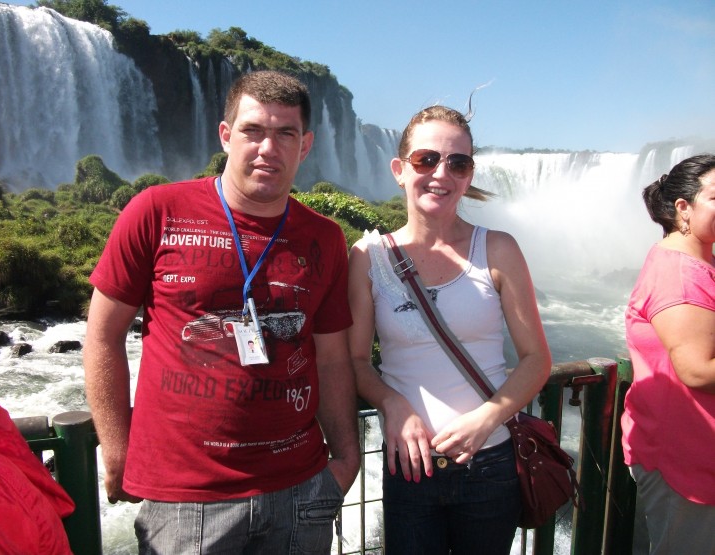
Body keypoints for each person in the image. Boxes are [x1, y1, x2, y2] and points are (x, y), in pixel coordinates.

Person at [83, 70, 360, 554]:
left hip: (300, 490)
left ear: (305, 145)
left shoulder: (325, 237)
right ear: (226, 135)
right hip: (186, 498)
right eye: (253, 130)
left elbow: (332, 357)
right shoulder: (156, 211)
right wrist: (117, 450)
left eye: (285, 133)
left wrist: (347, 458)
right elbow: (103, 336)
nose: (267, 148)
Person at [347, 105, 551, 555]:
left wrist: (486, 419)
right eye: (426, 160)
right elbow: (356, 361)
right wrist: (391, 402)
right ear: (400, 170)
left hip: (490, 463)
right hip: (409, 466)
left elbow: (537, 359)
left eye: (457, 163)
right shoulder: (368, 257)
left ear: (468, 174)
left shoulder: (497, 249)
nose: (441, 173)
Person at [621, 154, 715, 554]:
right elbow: (697, 370)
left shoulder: (697, 260)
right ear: (683, 207)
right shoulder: (681, 274)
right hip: (687, 457)